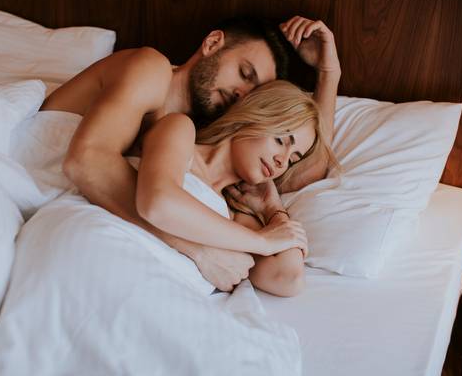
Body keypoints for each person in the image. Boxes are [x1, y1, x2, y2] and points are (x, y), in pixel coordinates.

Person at [40, 15, 341, 291]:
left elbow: (306, 169)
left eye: (253, 94)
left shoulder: (196, 136)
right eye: (244, 73)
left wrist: (329, 74)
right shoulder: (151, 69)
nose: (241, 94)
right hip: (32, 179)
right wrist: (200, 249)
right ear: (212, 43)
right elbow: (85, 163)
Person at [135, 80, 337, 297]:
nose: (282, 162)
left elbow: (288, 278)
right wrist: (263, 241)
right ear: (252, 116)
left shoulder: (235, 214)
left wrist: (272, 209)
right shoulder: (180, 131)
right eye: (280, 140)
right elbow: (158, 202)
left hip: (162, 298)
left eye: (293, 159)